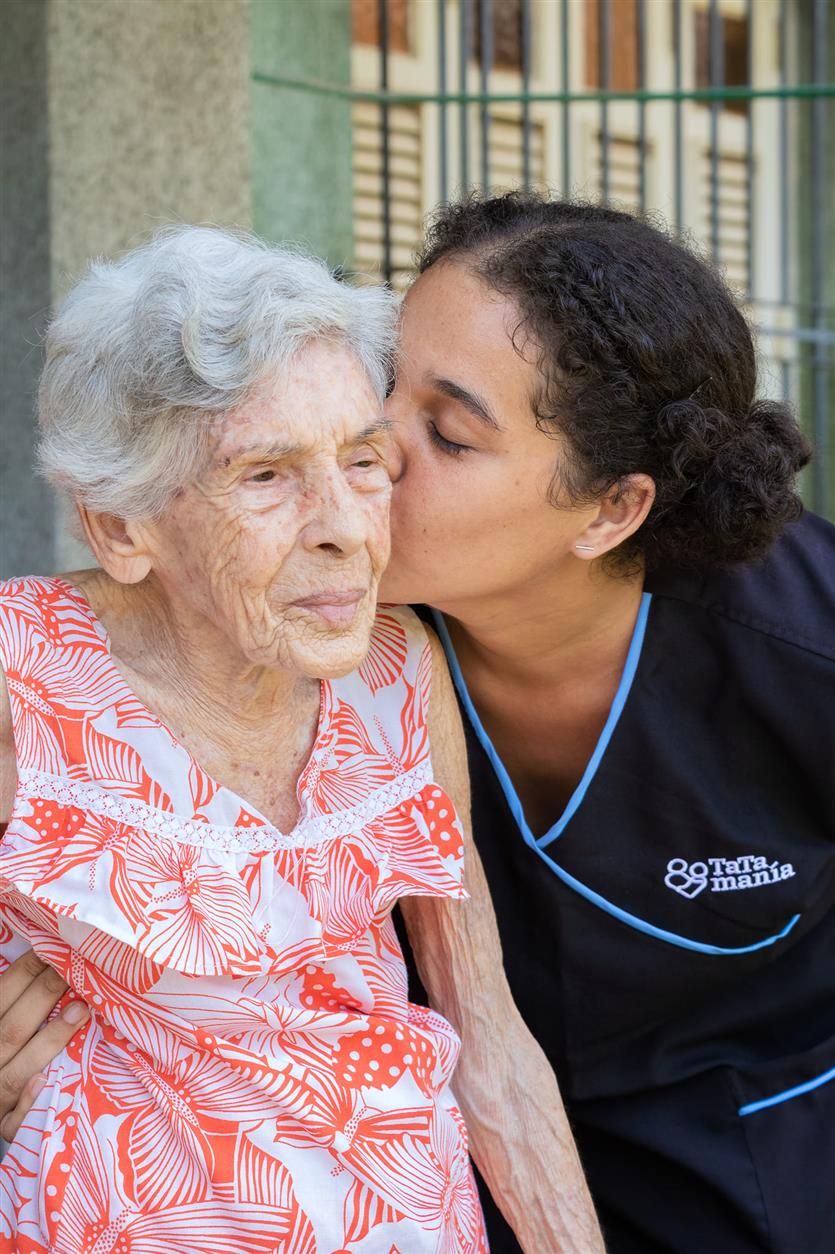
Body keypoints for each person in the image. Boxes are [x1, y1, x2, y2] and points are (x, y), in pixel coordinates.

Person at [6, 193, 834, 1252]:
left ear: (609, 510)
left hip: (752, 1164)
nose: (374, 466)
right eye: (386, 386)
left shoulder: (794, 656)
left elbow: (486, 1043)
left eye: (442, 433)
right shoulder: (329, 648)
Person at [0, 224, 602, 1253]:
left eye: (363, 460)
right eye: (266, 476)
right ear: (121, 527)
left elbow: (487, 1039)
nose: (348, 527)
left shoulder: (395, 668)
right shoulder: (22, 676)